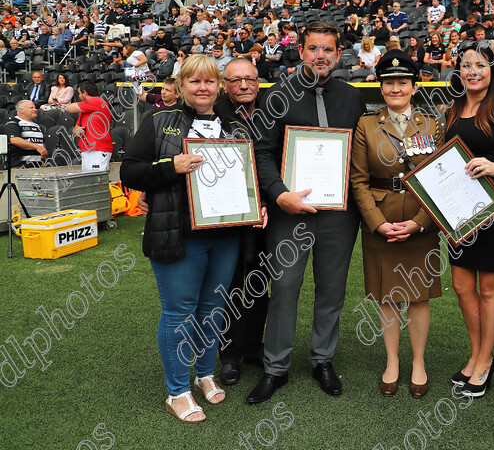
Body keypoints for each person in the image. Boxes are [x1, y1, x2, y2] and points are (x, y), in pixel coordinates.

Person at [121, 54, 262, 425]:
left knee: (213, 309)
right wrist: (171, 167)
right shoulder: (159, 121)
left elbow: (247, 176)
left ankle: (203, 374)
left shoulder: (235, 124)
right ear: (181, 85)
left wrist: (256, 205)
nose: (203, 88)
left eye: (210, 81)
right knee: (179, 312)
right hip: (177, 233)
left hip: (226, 233)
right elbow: (131, 171)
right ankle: (177, 391)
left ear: (220, 87)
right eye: (194, 81)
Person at [248, 22, 367, 404]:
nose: (320, 55)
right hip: (288, 212)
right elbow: (262, 152)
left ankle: (322, 360)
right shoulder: (278, 94)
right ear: (301, 51)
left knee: (331, 290)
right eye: (313, 48)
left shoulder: (351, 97)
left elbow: (360, 155)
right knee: (284, 289)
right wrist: (279, 195)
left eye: (328, 49)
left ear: (338, 53)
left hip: (338, 213)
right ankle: (275, 367)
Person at [349, 49, 443, 398]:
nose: (395, 89)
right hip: (382, 218)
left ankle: (418, 362)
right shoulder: (367, 124)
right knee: (387, 296)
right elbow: (358, 180)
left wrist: (420, 223)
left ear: (414, 86)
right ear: (381, 86)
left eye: (402, 82)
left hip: (421, 217)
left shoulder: (433, 122)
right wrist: (376, 223)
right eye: (389, 83)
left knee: (418, 296)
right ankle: (392, 360)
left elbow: (440, 176)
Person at [446, 40, 494, 398]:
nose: (472, 71)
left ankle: (485, 359)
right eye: (466, 65)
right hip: (459, 212)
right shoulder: (454, 108)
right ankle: (478, 354)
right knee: (463, 288)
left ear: (493, 70)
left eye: (480, 65)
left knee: (489, 289)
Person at [211, 58, 272, 385]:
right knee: (231, 284)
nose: (243, 85)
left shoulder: (274, 111)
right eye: (235, 81)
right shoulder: (213, 114)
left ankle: (253, 345)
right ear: (225, 84)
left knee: (260, 283)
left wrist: (268, 203)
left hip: (266, 215)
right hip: (227, 213)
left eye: (249, 79)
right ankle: (229, 354)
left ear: (258, 82)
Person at [62, 80, 112, 171]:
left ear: (85, 93)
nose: (79, 96)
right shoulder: (87, 109)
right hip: (88, 149)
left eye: (79, 93)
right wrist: (76, 130)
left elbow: (69, 108)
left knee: (97, 180)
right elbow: (76, 127)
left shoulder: (96, 101)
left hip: (97, 148)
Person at [5, 100, 46, 167]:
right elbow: (14, 140)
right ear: (21, 110)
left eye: (35, 108)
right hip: (19, 166)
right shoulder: (13, 122)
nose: (35, 110)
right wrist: (36, 146)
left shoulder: (37, 125)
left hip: (37, 166)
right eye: (31, 108)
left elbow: (41, 142)